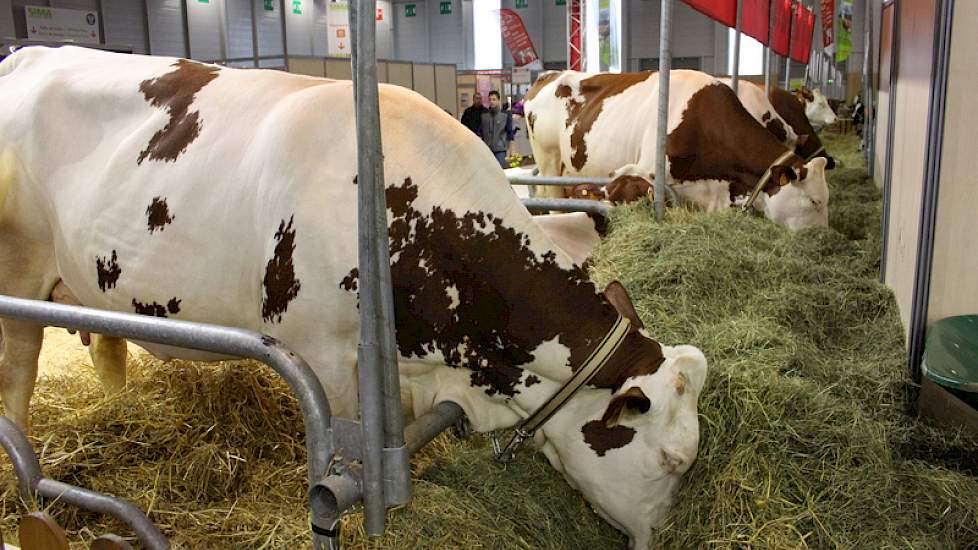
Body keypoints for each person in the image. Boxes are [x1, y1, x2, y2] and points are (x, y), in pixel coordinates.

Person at [479, 90, 514, 169]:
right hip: (487, 149)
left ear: (498, 100)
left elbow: (510, 133)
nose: (491, 101)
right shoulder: (484, 116)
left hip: (500, 149)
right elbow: (480, 133)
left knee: (500, 171)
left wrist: (511, 150)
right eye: (490, 99)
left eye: (494, 99)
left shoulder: (505, 115)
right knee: (489, 171)